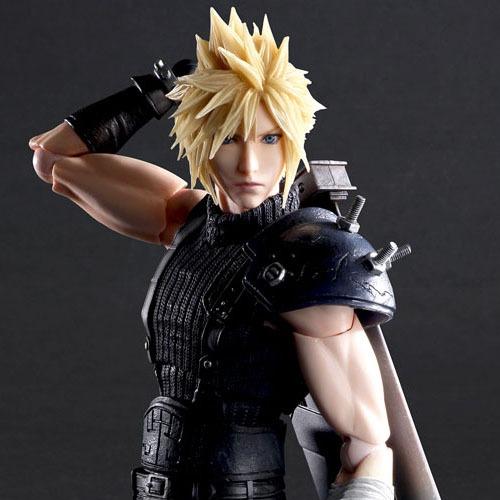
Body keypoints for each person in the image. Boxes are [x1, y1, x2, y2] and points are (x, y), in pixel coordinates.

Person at [29, 8, 395, 500]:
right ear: (199, 139)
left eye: (270, 138)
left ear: (293, 141)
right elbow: (54, 159)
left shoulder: (307, 257)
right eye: (228, 137)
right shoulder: (187, 218)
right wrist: (159, 94)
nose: (250, 164)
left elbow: (368, 446)